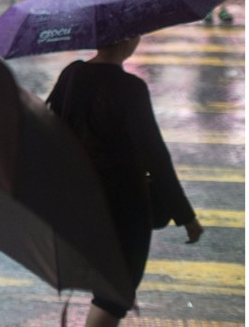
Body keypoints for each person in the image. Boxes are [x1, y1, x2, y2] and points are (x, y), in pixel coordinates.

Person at [45, 36, 204, 327]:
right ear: (129, 39)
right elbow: (155, 156)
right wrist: (186, 217)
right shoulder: (131, 89)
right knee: (116, 294)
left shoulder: (72, 74)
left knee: (107, 289)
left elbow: (53, 127)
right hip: (124, 207)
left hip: (80, 201)